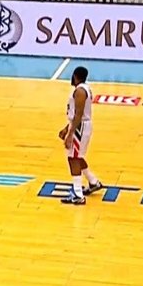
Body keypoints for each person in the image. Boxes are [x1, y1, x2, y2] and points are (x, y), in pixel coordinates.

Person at [59, 66, 104, 205]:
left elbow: (78, 115)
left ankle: (78, 194)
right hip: (81, 125)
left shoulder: (80, 91)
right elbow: (77, 115)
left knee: (73, 158)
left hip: (80, 127)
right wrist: (66, 128)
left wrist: (70, 134)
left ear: (75, 76)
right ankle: (93, 182)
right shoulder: (84, 89)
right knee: (78, 157)